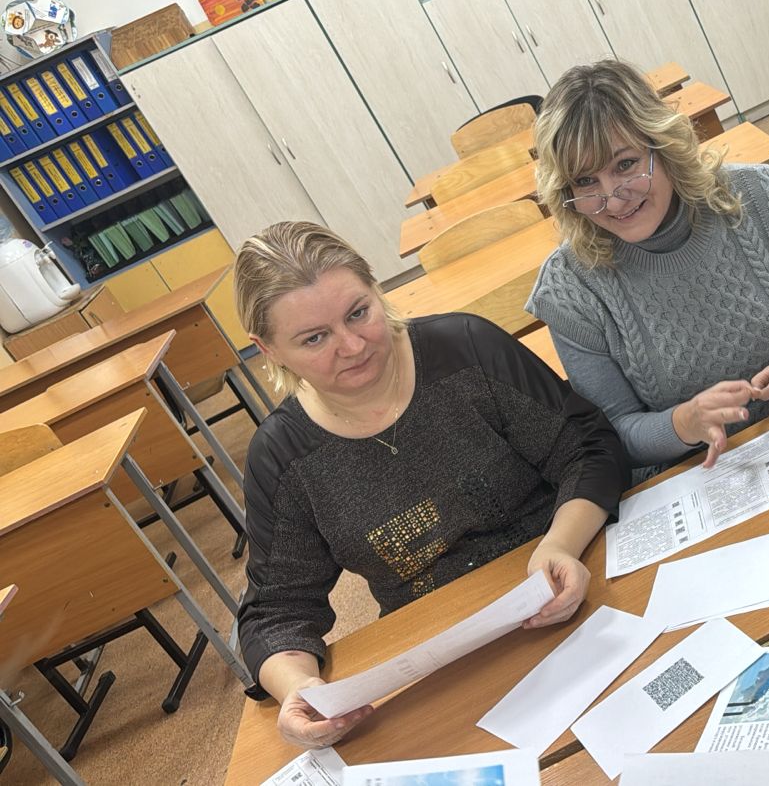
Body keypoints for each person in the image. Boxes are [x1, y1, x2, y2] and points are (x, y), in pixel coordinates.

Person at [235, 221, 627, 749]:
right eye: (314, 338)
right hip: (443, 651)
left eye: (359, 312)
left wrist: (561, 544)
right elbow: (276, 610)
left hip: (570, 576)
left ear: (377, 288)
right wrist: (297, 687)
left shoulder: (465, 348)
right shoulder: (282, 456)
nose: (352, 345)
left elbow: (586, 447)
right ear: (268, 349)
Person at [528, 60, 769, 478]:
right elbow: (614, 435)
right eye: (585, 182)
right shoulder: (570, 289)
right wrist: (681, 424)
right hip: (704, 478)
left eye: (625, 165)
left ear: (663, 145)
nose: (613, 198)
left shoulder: (761, 196)